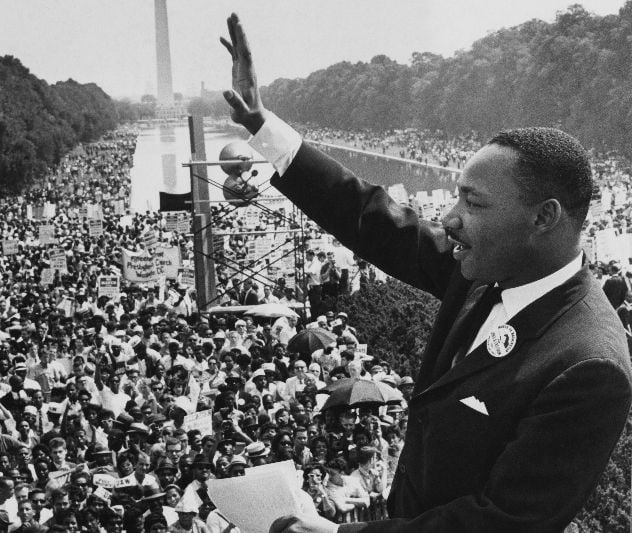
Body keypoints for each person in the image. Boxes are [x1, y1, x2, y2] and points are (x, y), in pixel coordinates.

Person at [220, 13, 632, 533]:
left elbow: (501, 523)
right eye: (456, 196)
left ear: (543, 217)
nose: (450, 218)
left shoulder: (589, 364)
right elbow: (372, 217)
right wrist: (263, 127)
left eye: (474, 203)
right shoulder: (485, 269)